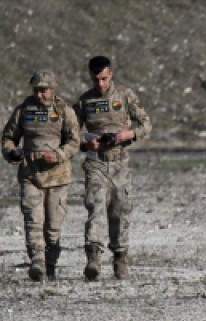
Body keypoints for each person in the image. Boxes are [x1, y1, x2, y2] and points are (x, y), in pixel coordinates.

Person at [73, 55, 153, 280]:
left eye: (105, 79)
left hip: (120, 162)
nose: (101, 84)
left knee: (120, 211)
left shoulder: (125, 96)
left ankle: (120, 258)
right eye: (96, 79)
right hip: (96, 162)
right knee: (95, 209)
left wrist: (129, 134)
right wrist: (85, 143)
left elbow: (146, 124)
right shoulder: (84, 101)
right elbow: (69, 135)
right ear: (90, 77)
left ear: (112, 75)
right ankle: (93, 259)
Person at [0, 70, 80, 281]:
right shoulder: (24, 111)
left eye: (44, 90)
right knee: (33, 220)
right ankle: (37, 262)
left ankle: (50, 264)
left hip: (58, 177)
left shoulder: (64, 111)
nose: (39, 95)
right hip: (30, 175)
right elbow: (9, 137)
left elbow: (74, 142)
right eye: (36, 90)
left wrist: (58, 155)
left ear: (53, 89)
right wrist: (11, 152)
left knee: (53, 228)